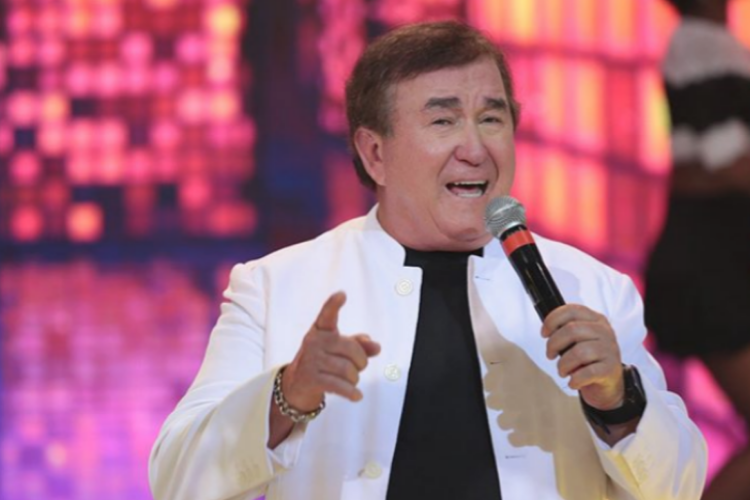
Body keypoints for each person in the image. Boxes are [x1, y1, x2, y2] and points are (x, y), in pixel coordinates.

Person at [150, 21, 707, 500]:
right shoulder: (276, 286)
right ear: (375, 153)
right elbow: (176, 479)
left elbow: (678, 486)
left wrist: (617, 401)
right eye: (443, 121)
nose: (476, 148)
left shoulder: (593, 288)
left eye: (491, 119)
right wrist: (286, 395)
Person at [644, 1, 750, 499]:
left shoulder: (698, 42)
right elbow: (726, 158)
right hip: (713, 270)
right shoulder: (704, 43)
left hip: (713, 264)